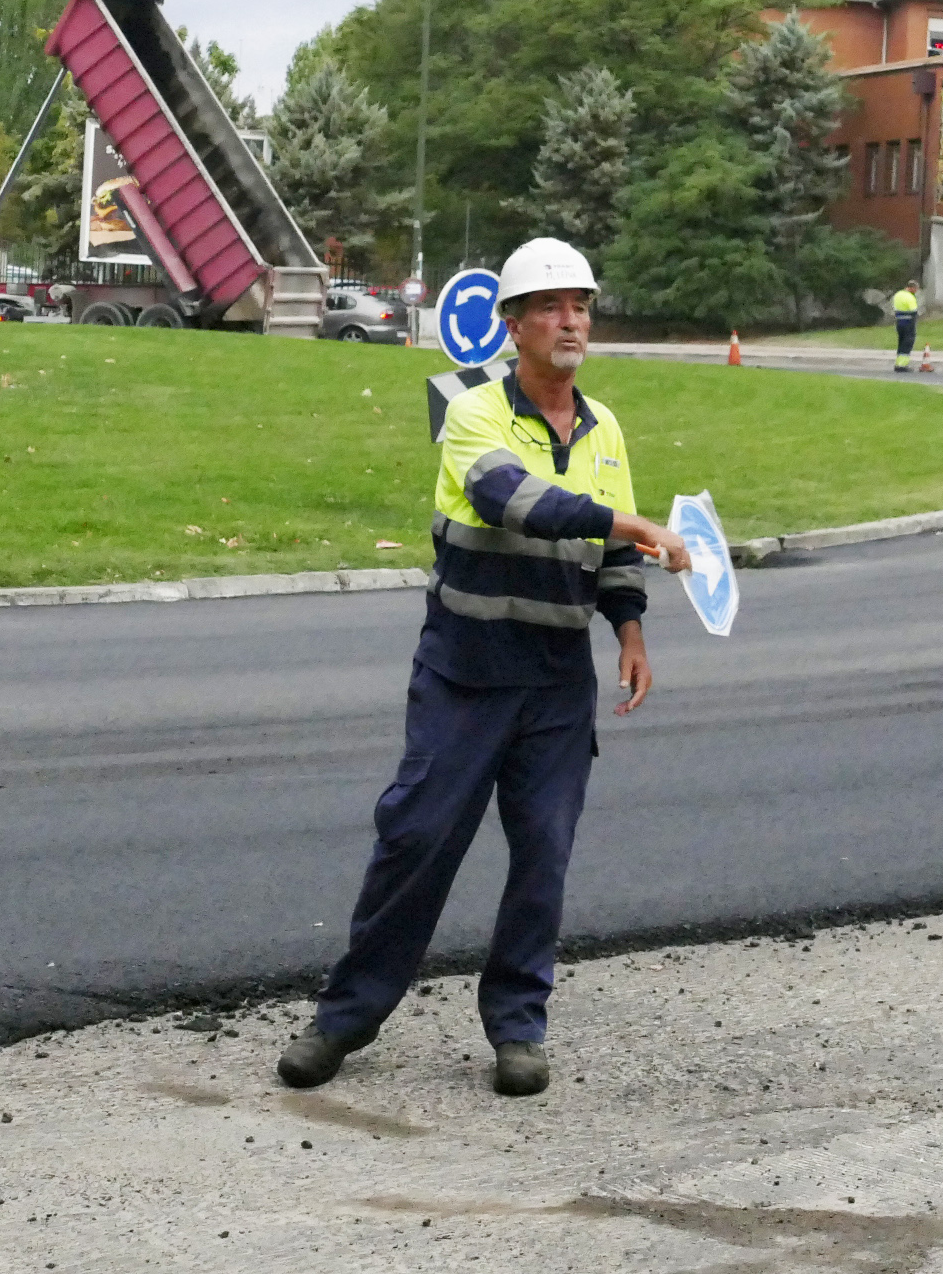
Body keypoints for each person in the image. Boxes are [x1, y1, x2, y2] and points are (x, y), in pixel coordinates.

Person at [278, 236, 691, 1099]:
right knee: (417, 840)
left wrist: (631, 629)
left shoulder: (605, 426)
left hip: (553, 683)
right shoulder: (473, 413)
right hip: (464, 675)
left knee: (543, 853)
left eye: (579, 304)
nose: (569, 319)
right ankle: (344, 1019)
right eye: (548, 306)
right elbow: (521, 503)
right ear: (513, 325)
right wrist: (634, 524)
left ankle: (518, 1027)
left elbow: (608, 553)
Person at [890, 280, 920, 370]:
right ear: (912, 288)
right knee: (907, 343)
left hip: (899, 322)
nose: (916, 291)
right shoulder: (910, 297)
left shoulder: (898, 295)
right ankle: (902, 365)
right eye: (916, 289)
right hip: (908, 322)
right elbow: (914, 311)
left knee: (901, 342)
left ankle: (898, 363)